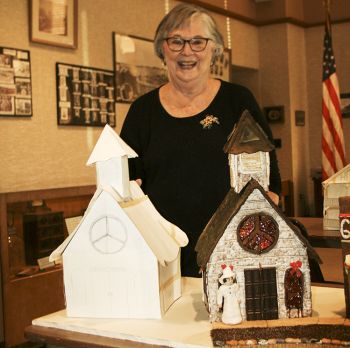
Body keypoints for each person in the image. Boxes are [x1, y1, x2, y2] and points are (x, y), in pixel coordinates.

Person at [120, 3, 281, 277]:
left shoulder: (238, 101)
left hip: (234, 254)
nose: (187, 51)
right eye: (176, 41)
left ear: (214, 48)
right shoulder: (141, 111)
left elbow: (270, 181)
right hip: (163, 258)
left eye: (197, 41)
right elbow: (127, 185)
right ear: (162, 49)